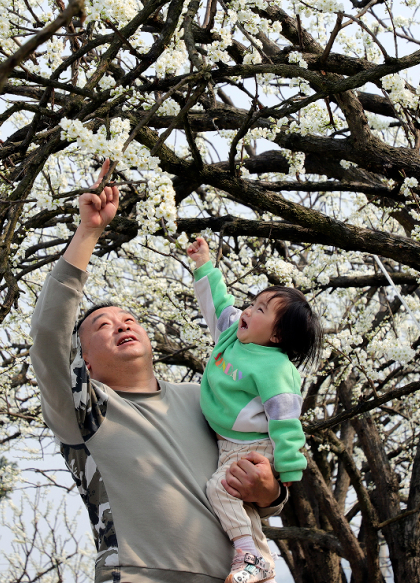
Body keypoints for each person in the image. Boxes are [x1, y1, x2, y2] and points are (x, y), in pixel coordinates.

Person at [30, 160, 287, 583]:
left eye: (129, 319)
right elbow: (48, 338)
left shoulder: (204, 397)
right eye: (103, 325)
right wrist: (88, 233)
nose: (122, 325)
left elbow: (256, 468)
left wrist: (271, 490)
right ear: (84, 362)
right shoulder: (85, 411)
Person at [186, 237, 322, 583]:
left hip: (254, 446)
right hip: (230, 441)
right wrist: (204, 264)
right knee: (237, 502)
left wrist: (289, 466)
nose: (247, 311)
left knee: (220, 489)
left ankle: (249, 554)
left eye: (261, 310)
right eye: (253, 303)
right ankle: (259, 565)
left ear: (277, 337)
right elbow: (217, 304)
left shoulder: (275, 368)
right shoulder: (233, 334)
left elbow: (285, 419)